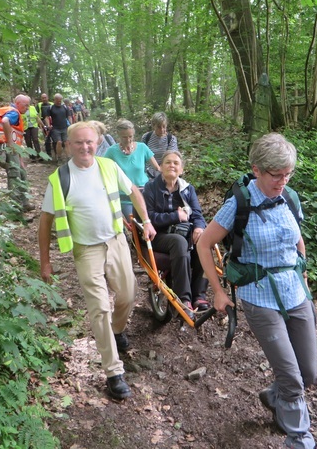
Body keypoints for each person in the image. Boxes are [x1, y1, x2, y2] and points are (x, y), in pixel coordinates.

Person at [197, 134, 317, 449]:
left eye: (287, 174)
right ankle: (299, 438)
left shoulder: (289, 196)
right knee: (292, 377)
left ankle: (274, 396)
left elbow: (296, 236)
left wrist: (302, 268)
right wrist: (218, 291)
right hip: (259, 297)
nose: (282, 181)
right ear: (257, 170)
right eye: (275, 175)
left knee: (308, 372)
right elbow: (204, 243)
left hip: (295, 293)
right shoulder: (239, 204)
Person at [38, 122, 156, 400]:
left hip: (116, 241)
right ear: (68, 146)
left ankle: (117, 330)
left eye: (89, 142)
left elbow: (134, 192)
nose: (84, 147)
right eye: (78, 143)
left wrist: (147, 220)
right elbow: (44, 224)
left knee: (128, 295)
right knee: (100, 308)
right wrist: (45, 262)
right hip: (86, 251)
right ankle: (114, 372)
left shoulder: (108, 166)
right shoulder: (59, 179)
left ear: (98, 142)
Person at [143, 150, 209, 315]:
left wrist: (199, 228)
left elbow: (197, 215)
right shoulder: (151, 188)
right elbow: (148, 217)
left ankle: (199, 295)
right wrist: (176, 216)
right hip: (157, 236)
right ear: (161, 167)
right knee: (179, 242)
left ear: (181, 170)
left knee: (205, 240)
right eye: (168, 162)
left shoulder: (187, 189)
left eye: (176, 163)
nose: (172, 165)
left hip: (183, 234)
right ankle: (184, 298)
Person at [0, 94, 33, 212]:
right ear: (18, 104)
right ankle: (15, 207)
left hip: (12, 150)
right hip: (7, 148)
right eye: (26, 105)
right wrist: (9, 143)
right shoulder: (13, 112)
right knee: (14, 175)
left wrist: (20, 159)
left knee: (22, 173)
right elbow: (5, 121)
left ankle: (24, 203)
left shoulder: (14, 113)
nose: (27, 108)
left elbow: (16, 139)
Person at [104, 119, 160, 220]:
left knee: (149, 222)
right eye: (124, 137)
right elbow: (102, 170)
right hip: (125, 196)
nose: (128, 140)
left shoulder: (142, 148)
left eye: (130, 136)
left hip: (144, 194)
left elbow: (157, 168)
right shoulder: (111, 152)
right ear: (118, 135)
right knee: (134, 225)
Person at [141, 112, 178, 179]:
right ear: (153, 126)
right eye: (159, 127)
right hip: (147, 174)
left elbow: (172, 158)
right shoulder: (146, 137)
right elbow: (141, 156)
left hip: (164, 173)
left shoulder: (171, 139)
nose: (162, 130)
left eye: (164, 126)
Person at [44, 93, 71, 162]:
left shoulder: (65, 107)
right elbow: (46, 118)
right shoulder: (50, 108)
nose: (59, 102)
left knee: (66, 142)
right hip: (55, 128)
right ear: (54, 100)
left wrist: (71, 124)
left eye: (60, 100)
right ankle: (59, 157)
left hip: (65, 127)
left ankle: (69, 158)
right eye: (58, 100)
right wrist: (48, 125)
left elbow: (69, 116)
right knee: (58, 142)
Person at [37, 93, 53, 159]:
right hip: (43, 122)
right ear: (41, 98)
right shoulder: (39, 105)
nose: (44, 99)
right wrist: (40, 124)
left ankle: (55, 151)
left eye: (45, 97)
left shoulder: (51, 104)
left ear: (47, 97)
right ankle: (48, 153)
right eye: (43, 98)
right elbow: (36, 114)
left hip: (51, 121)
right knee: (46, 137)